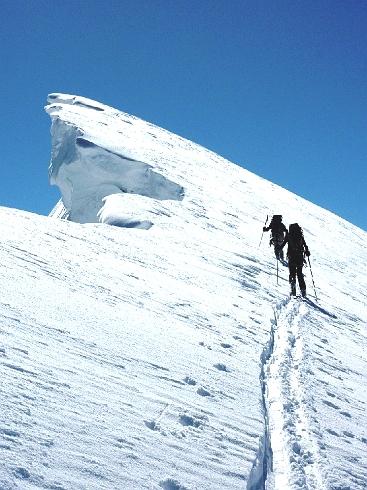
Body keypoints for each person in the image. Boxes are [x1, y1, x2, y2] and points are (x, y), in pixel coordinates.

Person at [280, 223, 310, 297]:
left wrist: (278, 248)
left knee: (292, 273)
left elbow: (283, 245)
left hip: (292, 257)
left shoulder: (288, 236)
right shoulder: (300, 236)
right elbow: (305, 246)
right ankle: (303, 290)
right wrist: (307, 252)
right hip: (300, 258)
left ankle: (293, 289)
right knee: (299, 274)